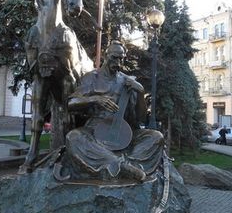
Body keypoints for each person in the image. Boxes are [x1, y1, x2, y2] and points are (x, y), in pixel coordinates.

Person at [65, 41, 164, 182]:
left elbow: (141, 119)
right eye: (114, 57)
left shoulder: (128, 82)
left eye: (121, 59)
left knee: (156, 137)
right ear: (106, 55)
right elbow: (71, 103)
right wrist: (95, 99)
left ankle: (121, 165)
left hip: (123, 132)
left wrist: (141, 92)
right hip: (94, 130)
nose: (118, 62)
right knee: (73, 137)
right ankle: (124, 167)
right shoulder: (91, 78)